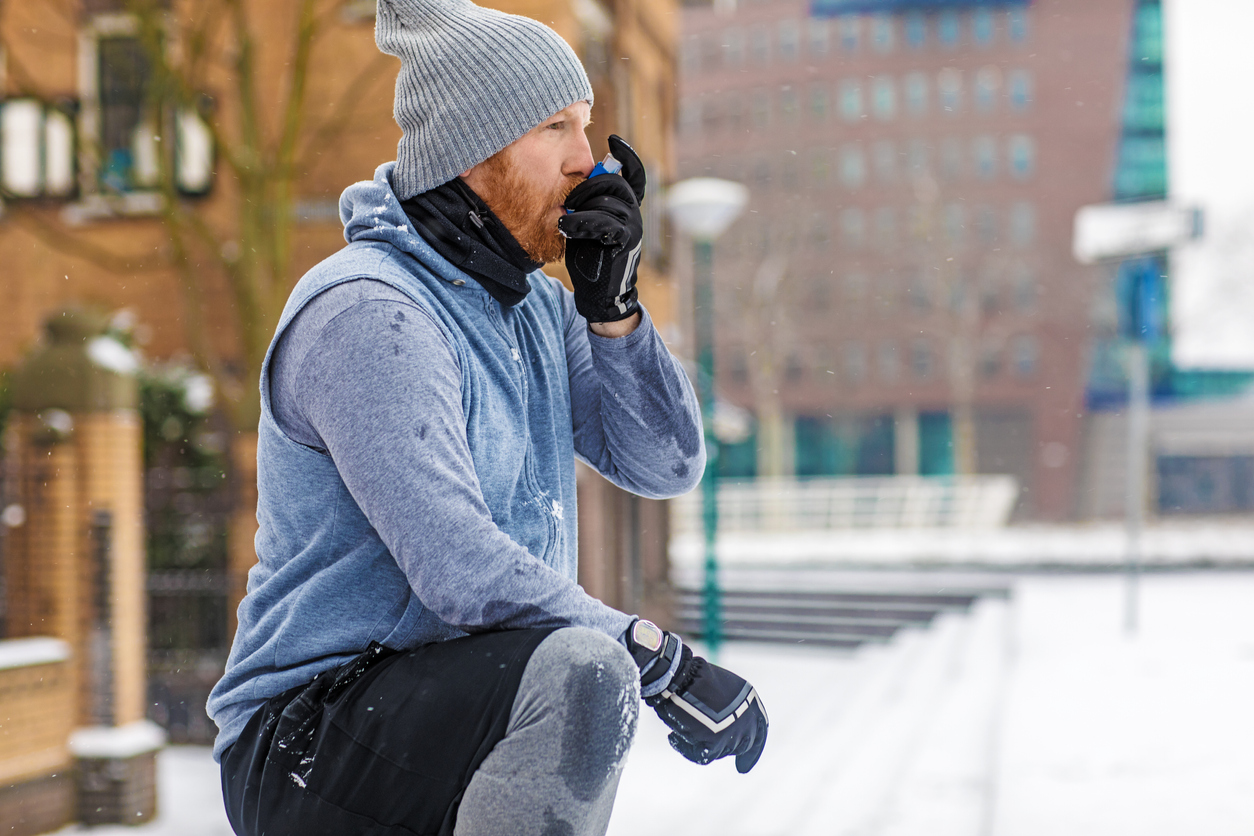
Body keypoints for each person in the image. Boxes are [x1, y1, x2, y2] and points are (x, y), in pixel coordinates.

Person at [207, 0, 768, 833]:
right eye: (555, 128)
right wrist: (656, 656)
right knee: (587, 674)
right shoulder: (370, 312)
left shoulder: (535, 312)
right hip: (307, 733)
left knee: (582, 671)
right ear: (473, 148)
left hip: (455, 698)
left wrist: (612, 310)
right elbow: (461, 570)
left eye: (587, 127)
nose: (589, 161)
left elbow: (667, 463)